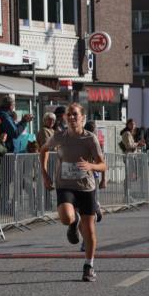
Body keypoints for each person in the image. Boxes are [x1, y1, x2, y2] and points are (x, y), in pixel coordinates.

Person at [39, 102, 107, 282]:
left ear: (82, 118)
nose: (71, 117)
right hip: (65, 185)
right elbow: (43, 149)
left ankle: (89, 266)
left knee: (89, 229)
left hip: (86, 187)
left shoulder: (90, 139)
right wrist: (45, 174)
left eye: (75, 114)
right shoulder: (59, 137)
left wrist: (91, 166)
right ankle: (73, 222)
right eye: (68, 114)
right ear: (64, 117)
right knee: (66, 217)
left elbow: (103, 165)